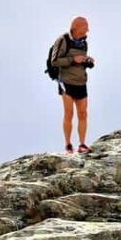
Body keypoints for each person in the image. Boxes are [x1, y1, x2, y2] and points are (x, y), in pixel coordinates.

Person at [49, 16, 95, 154]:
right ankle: (68, 145)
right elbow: (54, 61)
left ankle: (82, 144)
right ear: (75, 28)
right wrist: (73, 59)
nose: (87, 31)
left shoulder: (84, 43)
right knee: (69, 113)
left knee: (83, 113)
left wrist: (88, 62)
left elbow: (82, 62)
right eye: (84, 28)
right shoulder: (62, 40)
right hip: (66, 82)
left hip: (81, 82)